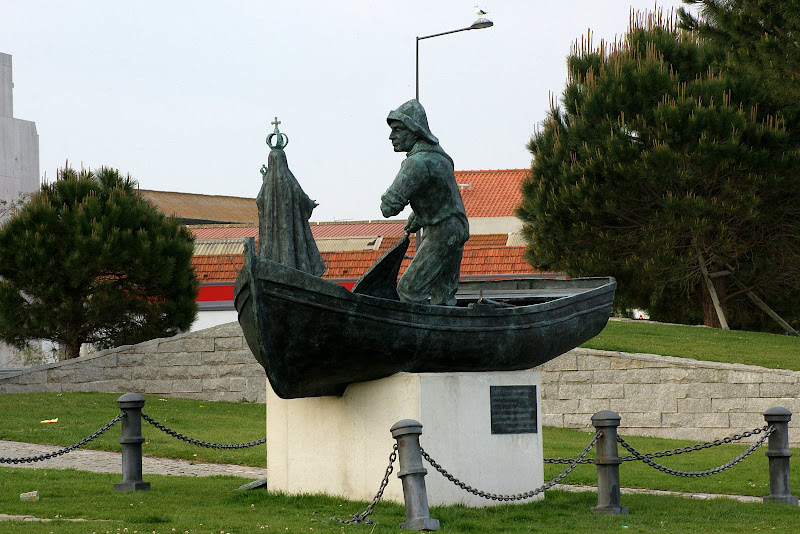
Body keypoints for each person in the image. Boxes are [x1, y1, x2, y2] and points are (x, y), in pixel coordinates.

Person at [380, 99, 469, 306]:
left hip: (441, 232)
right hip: (456, 229)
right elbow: (440, 198)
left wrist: (390, 198)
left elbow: (389, 207)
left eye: (397, 130)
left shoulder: (416, 163)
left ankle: (412, 335)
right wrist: (418, 216)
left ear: (414, 131)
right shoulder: (441, 158)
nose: (391, 136)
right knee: (443, 296)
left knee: (409, 289)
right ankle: (447, 334)